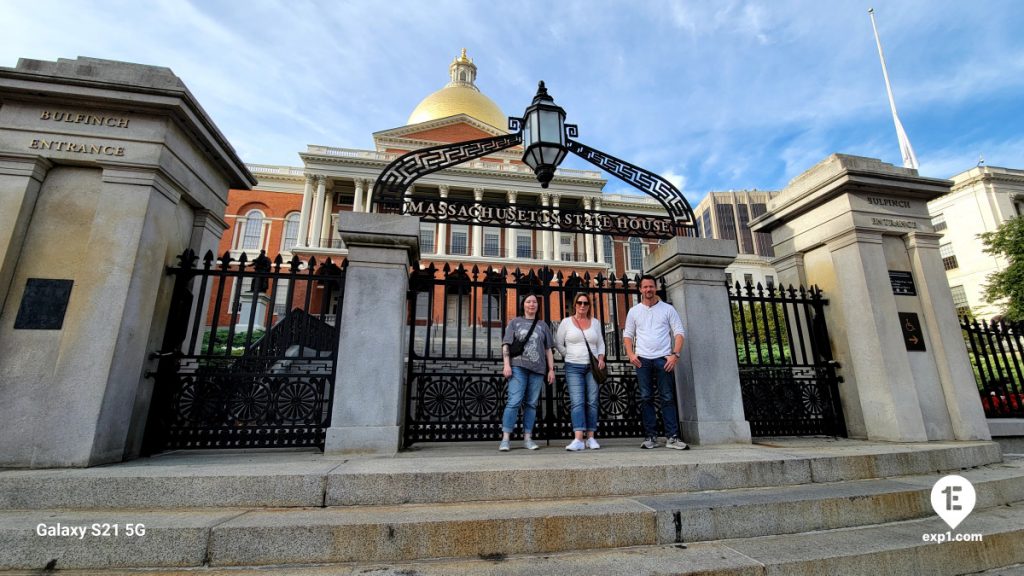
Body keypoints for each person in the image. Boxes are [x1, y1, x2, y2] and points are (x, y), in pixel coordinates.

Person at [623, 275, 689, 450]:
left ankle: (672, 437)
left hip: (663, 359)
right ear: (640, 289)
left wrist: (675, 355)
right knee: (646, 398)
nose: (648, 290)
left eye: (651, 286)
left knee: (667, 397)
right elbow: (627, 335)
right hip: (642, 360)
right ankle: (651, 437)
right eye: (645, 287)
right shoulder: (634, 311)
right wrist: (630, 354)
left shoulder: (668, 309)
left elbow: (679, 332)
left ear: (656, 288)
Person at [499, 293, 555, 451]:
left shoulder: (543, 325)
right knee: (514, 401)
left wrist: (551, 369)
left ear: (538, 305)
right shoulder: (515, 322)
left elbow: (548, 349)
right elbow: (506, 344)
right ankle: (505, 438)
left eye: (534, 302)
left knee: (531, 404)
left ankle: (528, 438)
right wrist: (506, 365)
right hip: (518, 367)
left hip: (538, 370)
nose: (532, 304)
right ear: (523, 305)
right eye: (528, 301)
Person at [555, 292, 606, 451]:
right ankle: (578, 438)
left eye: (585, 303)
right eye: (579, 303)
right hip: (573, 367)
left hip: (592, 367)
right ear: (575, 305)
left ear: (589, 306)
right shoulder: (566, 322)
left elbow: (600, 343)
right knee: (577, 402)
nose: (582, 305)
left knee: (592, 401)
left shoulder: (595, 323)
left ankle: (590, 437)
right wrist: (568, 355)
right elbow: (558, 343)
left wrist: (601, 358)